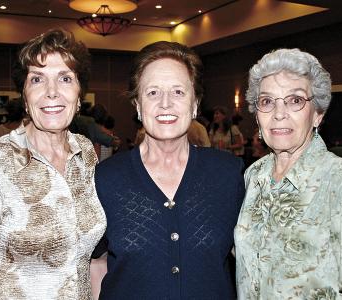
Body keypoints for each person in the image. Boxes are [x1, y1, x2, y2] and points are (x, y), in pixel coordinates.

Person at [0, 29, 106, 299]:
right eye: (37, 79)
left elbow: (94, 260)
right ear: (25, 97)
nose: (52, 92)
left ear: (79, 93)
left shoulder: (85, 152)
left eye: (65, 78)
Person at [94, 41, 245, 299]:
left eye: (178, 92)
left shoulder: (228, 174)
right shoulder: (106, 178)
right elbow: (96, 264)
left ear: (195, 104)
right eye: (152, 93)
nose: (165, 103)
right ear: (138, 106)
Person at [235, 48, 342, 299]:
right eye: (267, 101)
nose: (279, 113)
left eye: (295, 100)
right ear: (257, 115)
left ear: (317, 114)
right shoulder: (253, 175)